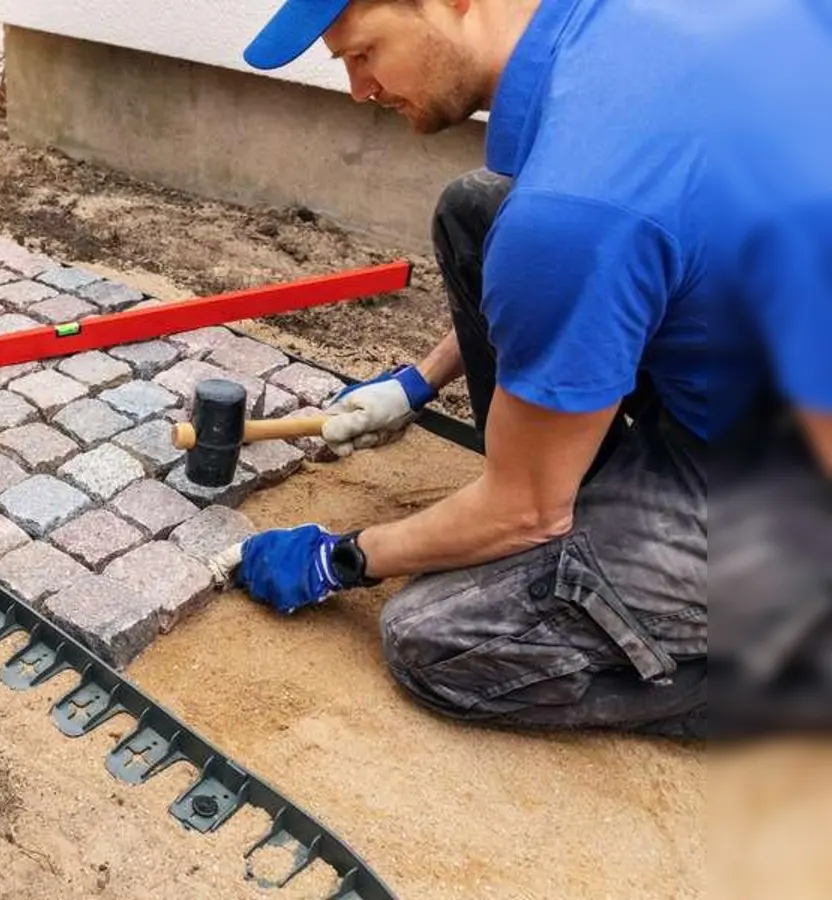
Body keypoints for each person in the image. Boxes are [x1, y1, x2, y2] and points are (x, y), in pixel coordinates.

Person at [221, 0, 832, 738]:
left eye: (363, 55)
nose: (360, 91)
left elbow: (527, 511)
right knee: (478, 211)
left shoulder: (579, 203)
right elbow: (571, 270)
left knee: (440, 639)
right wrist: (418, 382)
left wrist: (341, 560)